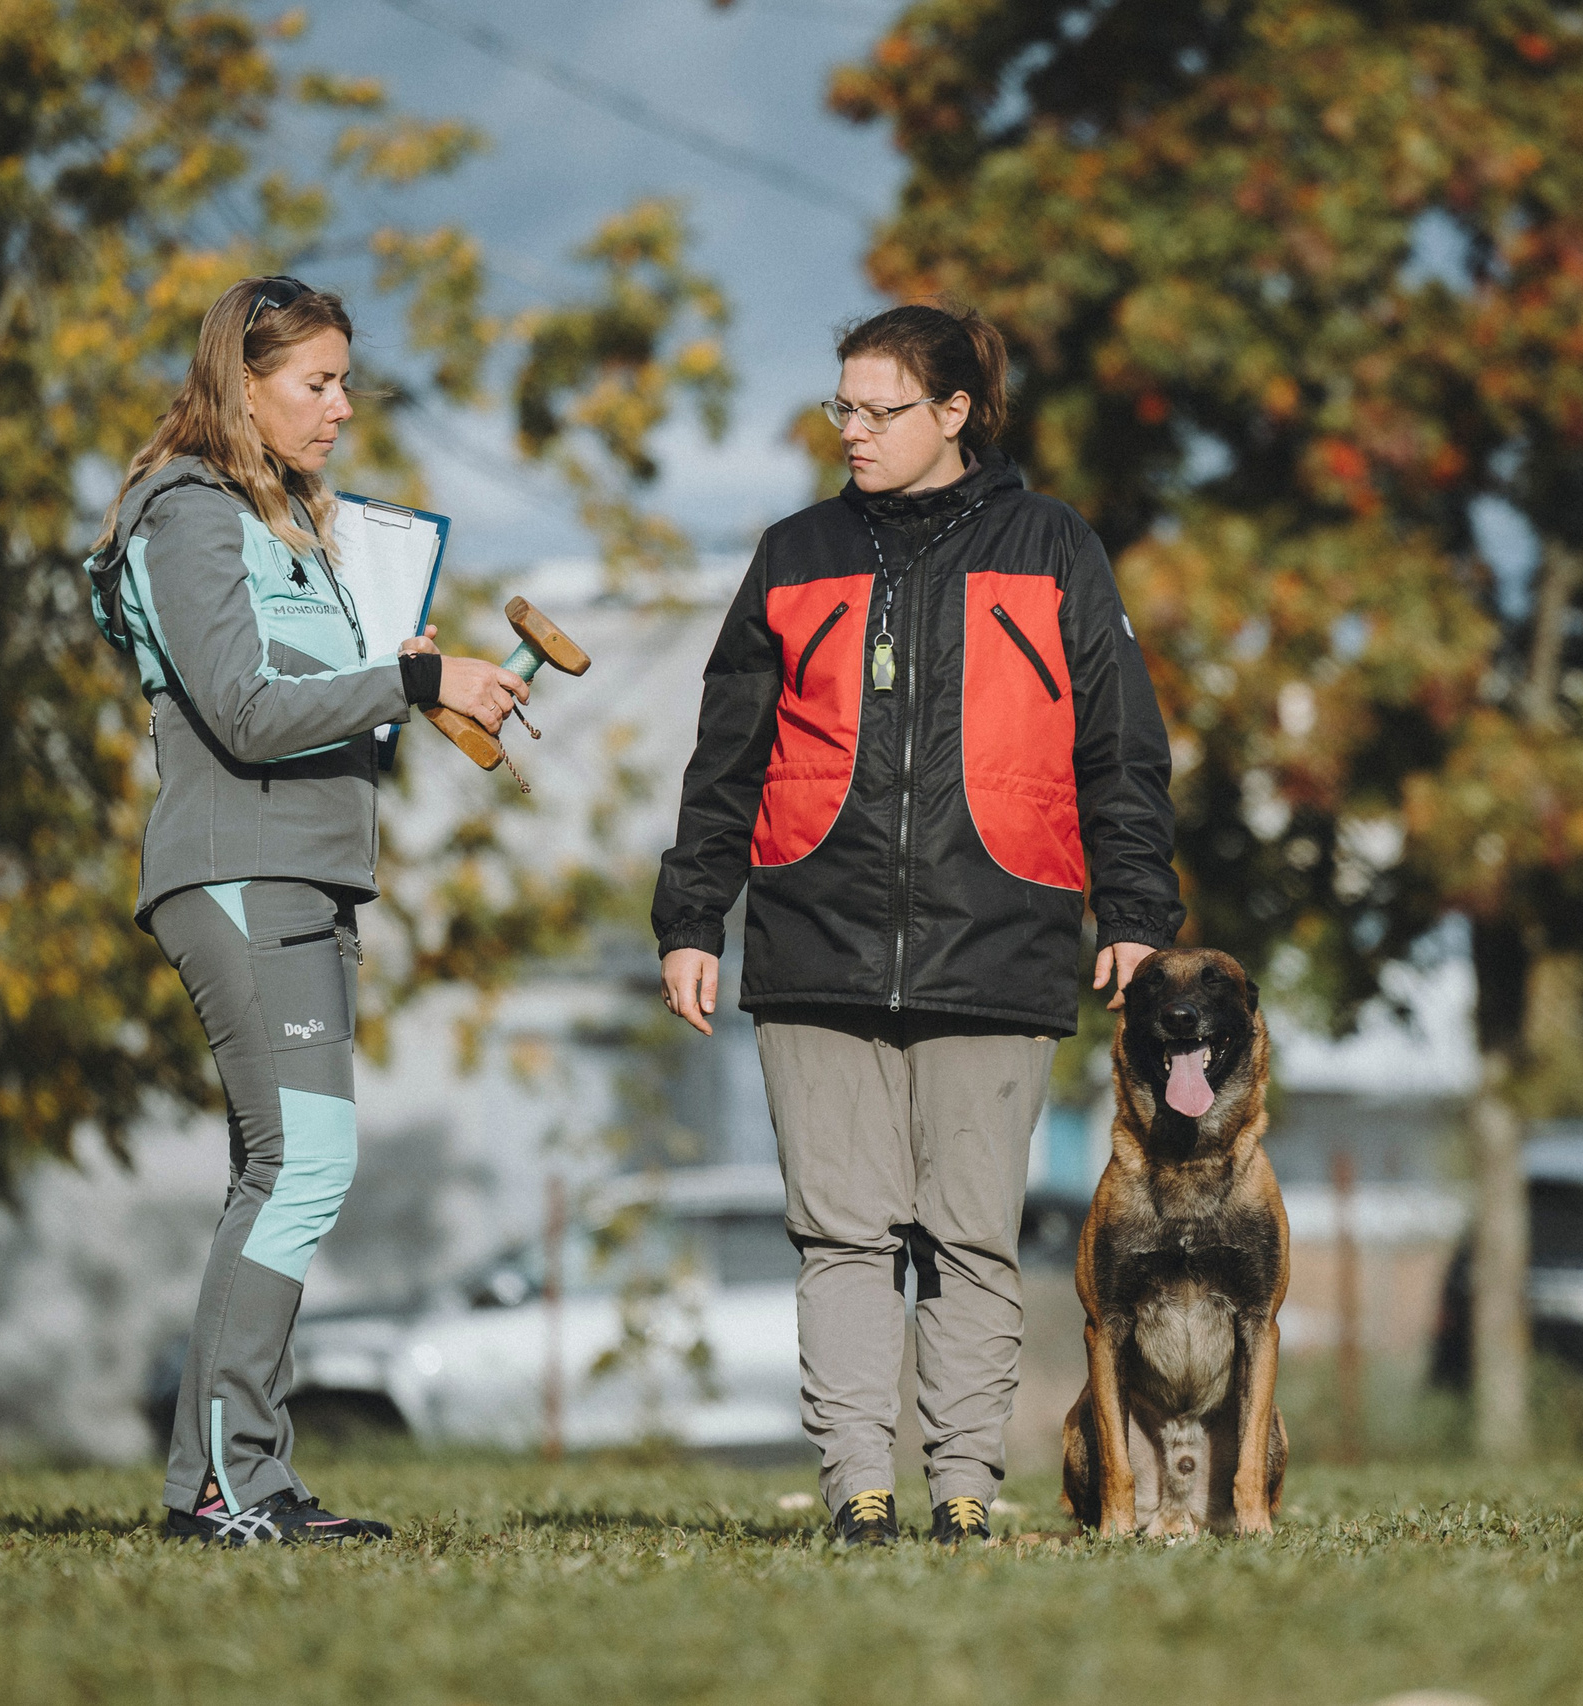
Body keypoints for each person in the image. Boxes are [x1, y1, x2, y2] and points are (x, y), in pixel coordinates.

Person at [653, 299, 1184, 1545]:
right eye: (842, 405)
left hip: (1000, 937)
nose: (854, 430)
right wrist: (692, 915)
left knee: (968, 1238)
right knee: (839, 1235)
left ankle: (960, 1492)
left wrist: (1136, 905)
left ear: (955, 413)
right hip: (811, 941)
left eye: (882, 408)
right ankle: (859, 1487)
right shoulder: (793, 553)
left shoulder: (1055, 546)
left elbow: (1119, 743)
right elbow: (724, 753)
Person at [87, 276, 524, 1545]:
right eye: (316, 382)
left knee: (275, 1173)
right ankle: (228, 1484)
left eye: (344, 381)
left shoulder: (289, 524)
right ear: (244, 382)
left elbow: (330, 700)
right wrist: (404, 671)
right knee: (305, 1165)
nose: (342, 407)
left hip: (310, 871)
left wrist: (418, 683)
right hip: (240, 869)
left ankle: (228, 1481)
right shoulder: (189, 511)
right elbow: (240, 708)